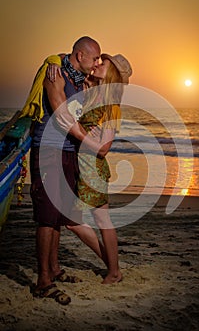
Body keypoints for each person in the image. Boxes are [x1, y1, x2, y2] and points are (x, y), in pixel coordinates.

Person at [21, 36, 101, 305]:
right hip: (49, 151)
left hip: (67, 152)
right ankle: (43, 281)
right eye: (94, 58)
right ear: (79, 55)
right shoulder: (55, 72)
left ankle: (54, 269)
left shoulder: (79, 79)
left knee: (59, 215)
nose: (96, 63)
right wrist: (91, 142)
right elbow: (61, 113)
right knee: (46, 217)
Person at [47, 53, 132, 284]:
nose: (97, 64)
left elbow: (104, 149)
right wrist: (53, 60)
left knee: (90, 221)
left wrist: (79, 134)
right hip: (80, 165)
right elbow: (66, 57)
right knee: (76, 221)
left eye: (103, 63)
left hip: (93, 168)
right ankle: (112, 266)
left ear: (111, 71)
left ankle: (113, 270)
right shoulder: (90, 91)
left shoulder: (111, 106)